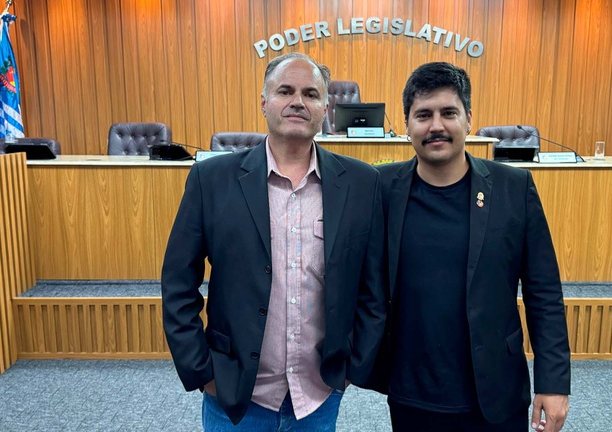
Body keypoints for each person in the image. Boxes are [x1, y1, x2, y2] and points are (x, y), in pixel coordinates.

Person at [161, 52, 386, 430]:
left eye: (311, 94)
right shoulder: (211, 180)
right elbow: (177, 283)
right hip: (234, 396)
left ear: (326, 108)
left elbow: (373, 288)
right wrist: (201, 371)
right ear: (264, 102)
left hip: (318, 396)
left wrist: (353, 367)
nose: (298, 101)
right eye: (285, 91)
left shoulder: (361, 184)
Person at [368, 62, 571, 432]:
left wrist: (553, 382)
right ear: (407, 125)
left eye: (449, 113)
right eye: (423, 115)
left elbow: (544, 292)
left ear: (469, 119)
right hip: (411, 393)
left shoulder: (514, 188)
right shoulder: (380, 188)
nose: (436, 126)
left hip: (495, 390)